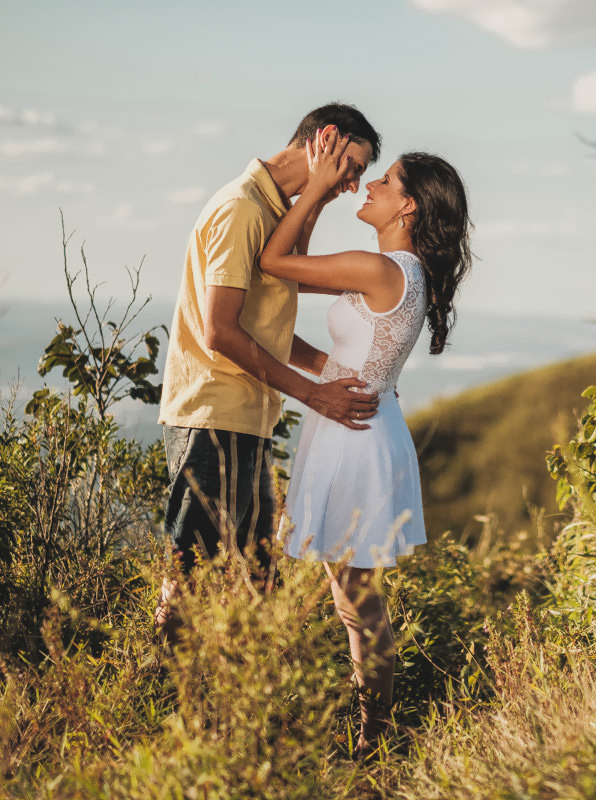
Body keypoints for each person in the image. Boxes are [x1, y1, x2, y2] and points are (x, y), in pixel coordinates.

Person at [258, 132, 472, 757]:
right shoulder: (395, 271)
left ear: (407, 208)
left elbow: (275, 264)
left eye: (386, 182)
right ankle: (373, 733)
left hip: (354, 438)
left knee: (357, 600)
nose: (371, 185)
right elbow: (335, 344)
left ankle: (376, 738)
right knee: (351, 595)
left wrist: (320, 188)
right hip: (353, 425)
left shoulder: (380, 268)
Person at [155, 104, 384, 639]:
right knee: (188, 583)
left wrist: (327, 368)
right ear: (325, 139)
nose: (353, 185)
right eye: (352, 167)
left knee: (261, 582)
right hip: (212, 417)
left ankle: (240, 706)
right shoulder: (242, 209)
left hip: (246, 419)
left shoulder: (273, 208)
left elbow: (273, 309)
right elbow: (222, 332)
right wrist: (315, 395)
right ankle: (159, 700)